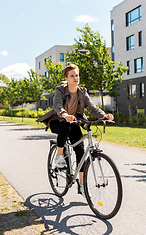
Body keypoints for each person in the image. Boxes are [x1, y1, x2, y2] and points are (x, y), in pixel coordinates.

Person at [37, 64, 113, 197]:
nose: (75, 78)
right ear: (66, 78)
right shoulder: (61, 89)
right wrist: (65, 115)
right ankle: (59, 156)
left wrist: (104, 116)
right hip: (58, 121)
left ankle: (82, 185)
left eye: (77, 75)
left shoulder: (82, 92)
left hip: (74, 122)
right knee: (66, 127)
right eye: (72, 75)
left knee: (80, 152)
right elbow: (57, 105)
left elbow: (92, 107)